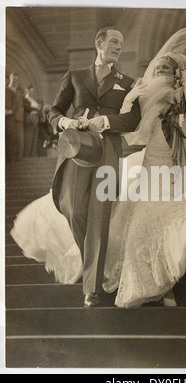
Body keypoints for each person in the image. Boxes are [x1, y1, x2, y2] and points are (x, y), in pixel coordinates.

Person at [11, 20, 186, 308]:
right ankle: (138, 277)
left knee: (174, 211)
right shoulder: (110, 85)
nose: (158, 70)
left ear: (176, 73)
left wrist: (177, 89)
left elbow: (178, 117)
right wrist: (83, 126)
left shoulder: (163, 90)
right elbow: (127, 127)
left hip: (168, 152)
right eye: (157, 67)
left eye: (165, 68)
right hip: (121, 153)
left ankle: (151, 278)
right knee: (107, 213)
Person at [47, 26, 141, 307]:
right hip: (76, 149)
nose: (119, 47)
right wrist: (66, 122)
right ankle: (93, 264)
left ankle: (92, 286)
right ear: (98, 43)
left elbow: (134, 119)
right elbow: (53, 111)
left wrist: (106, 122)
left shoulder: (128, 81)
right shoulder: (75, 76)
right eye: (114, 41)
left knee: (99, 216)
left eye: (122, 44)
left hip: (109, 152)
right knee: (74, 210)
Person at [5, 73, 25, 162]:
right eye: (14, 79)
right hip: (8, 119)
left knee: (19, 140)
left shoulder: (20, 92)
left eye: (17, 80)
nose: (15, 82)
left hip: (18, 119)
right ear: (10, 79)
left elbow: (24, 103)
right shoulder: (5, 90)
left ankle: (18, 161)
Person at [23, 86, 41, 157]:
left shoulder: (34, 101)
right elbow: (26, 107)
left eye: (32, 92)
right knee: (28, 142)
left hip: (35, 123)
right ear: (27, 91)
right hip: (28, 123)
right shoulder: (25, 100)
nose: (31, 93)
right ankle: (27, 158)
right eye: (30, 91)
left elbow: (40, 111)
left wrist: (35, 111)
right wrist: (35, 110)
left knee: (33, 143)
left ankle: (32, 157)